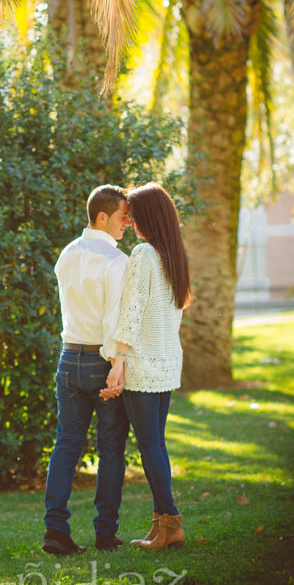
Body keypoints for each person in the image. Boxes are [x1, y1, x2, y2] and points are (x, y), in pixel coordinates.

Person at [101, 182, 192, 551]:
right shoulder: (174, 255)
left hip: (142, 362)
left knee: (150, 444)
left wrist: (118, 357)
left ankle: (171, 521)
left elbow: (132, 311)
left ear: (147, 218)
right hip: (167, 361)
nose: (132, 223)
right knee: (156, 443)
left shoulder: (143, 254)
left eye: (134, 217)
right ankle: (161, 525)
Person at [42, 185, 131, 556]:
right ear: (102, 217)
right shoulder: (117, 261)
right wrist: (117, 365)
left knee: (66, 445)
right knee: (111, 449)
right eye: (123, 216)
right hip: (101, 360)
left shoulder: (67, 254)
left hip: (68, 357)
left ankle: (55, 532)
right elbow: (114, 319)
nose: (128, 223)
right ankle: (105, 533)